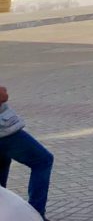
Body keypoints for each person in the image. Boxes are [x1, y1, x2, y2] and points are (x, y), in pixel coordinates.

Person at [0, 85, 52, 220]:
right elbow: (2, 96)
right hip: (4, 133)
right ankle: (34, 214)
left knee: (2, 164)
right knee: (43, 160)